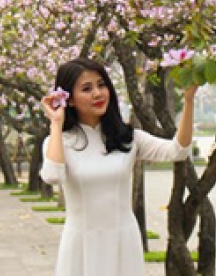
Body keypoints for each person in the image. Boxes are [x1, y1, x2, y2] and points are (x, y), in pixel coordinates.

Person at [39, 57, 197, 276]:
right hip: (81, 243)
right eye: (87, 88)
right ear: (70, 99)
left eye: (101, 85)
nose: (97, 93)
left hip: (123, 240)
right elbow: (52, 175)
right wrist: (56, 123)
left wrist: (188, 101)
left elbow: (179, 150)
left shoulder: (128, 138)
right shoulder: (59, 142)